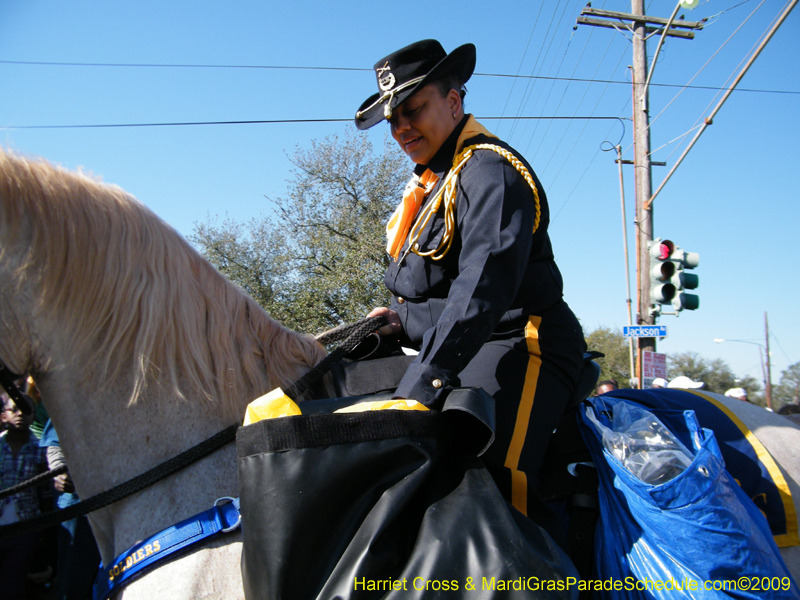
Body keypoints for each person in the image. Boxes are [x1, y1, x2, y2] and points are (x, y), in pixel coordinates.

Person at [355, 40, 586, 523]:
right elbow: (438, 296)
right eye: (392, 120)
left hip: (523, 342)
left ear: (454, 101)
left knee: (481, 488)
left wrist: (416, 393)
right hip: (464, 342)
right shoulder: (435, 183)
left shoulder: (491, 172)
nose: (400, 129)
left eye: (411, 110)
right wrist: (398, 321)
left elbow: (480, 291)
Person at [0, 393, 48, 600]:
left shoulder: (40, 450)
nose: (21, 414)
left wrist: (44, 527)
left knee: (11, 585)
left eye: (26, 410)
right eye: (15, 409)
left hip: (24, 529)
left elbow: (46, 492)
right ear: (3, 416)